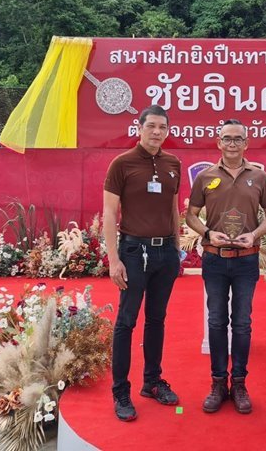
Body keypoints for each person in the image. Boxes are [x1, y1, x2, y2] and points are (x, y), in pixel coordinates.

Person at [186, 119, 266, 414]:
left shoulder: (259, 177)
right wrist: (208, 233)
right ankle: (217, 383)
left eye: (238, 139)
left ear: (247, 144)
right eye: (227, 138)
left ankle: (239, 383)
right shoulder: (205, 176)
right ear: (218, 143)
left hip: (246, 259)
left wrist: (256, 234)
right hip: (214, 258)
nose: (233, 144)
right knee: (215, 321)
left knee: (241, 322)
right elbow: (191, 215)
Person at [103, 105, 182, 422]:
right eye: (151, 126)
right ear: (139, 127)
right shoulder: (121, 164)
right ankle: (121, 391)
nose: (157, 132)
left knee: (157, 319)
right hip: (134, 252)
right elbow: (110, 213)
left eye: (162, 127)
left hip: (165, 254)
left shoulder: (173, 163)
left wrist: (177, 247)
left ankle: (152, 382)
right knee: (126, 322)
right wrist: (114, 259)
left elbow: (174, 209)